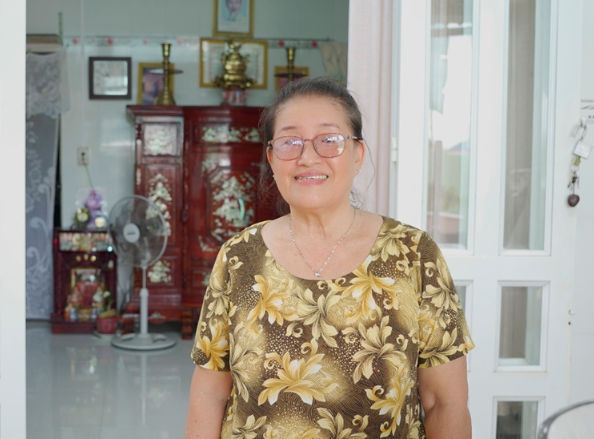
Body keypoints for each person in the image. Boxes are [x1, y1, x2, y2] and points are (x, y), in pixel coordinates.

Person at [185, 77, 474, 438]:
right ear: (272, 159)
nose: (307, 157)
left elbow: (444, 402)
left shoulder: (413, 255)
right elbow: (210, 393)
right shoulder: (239, 257)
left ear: (357, 154)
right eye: (290, 142)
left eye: (329, 140)